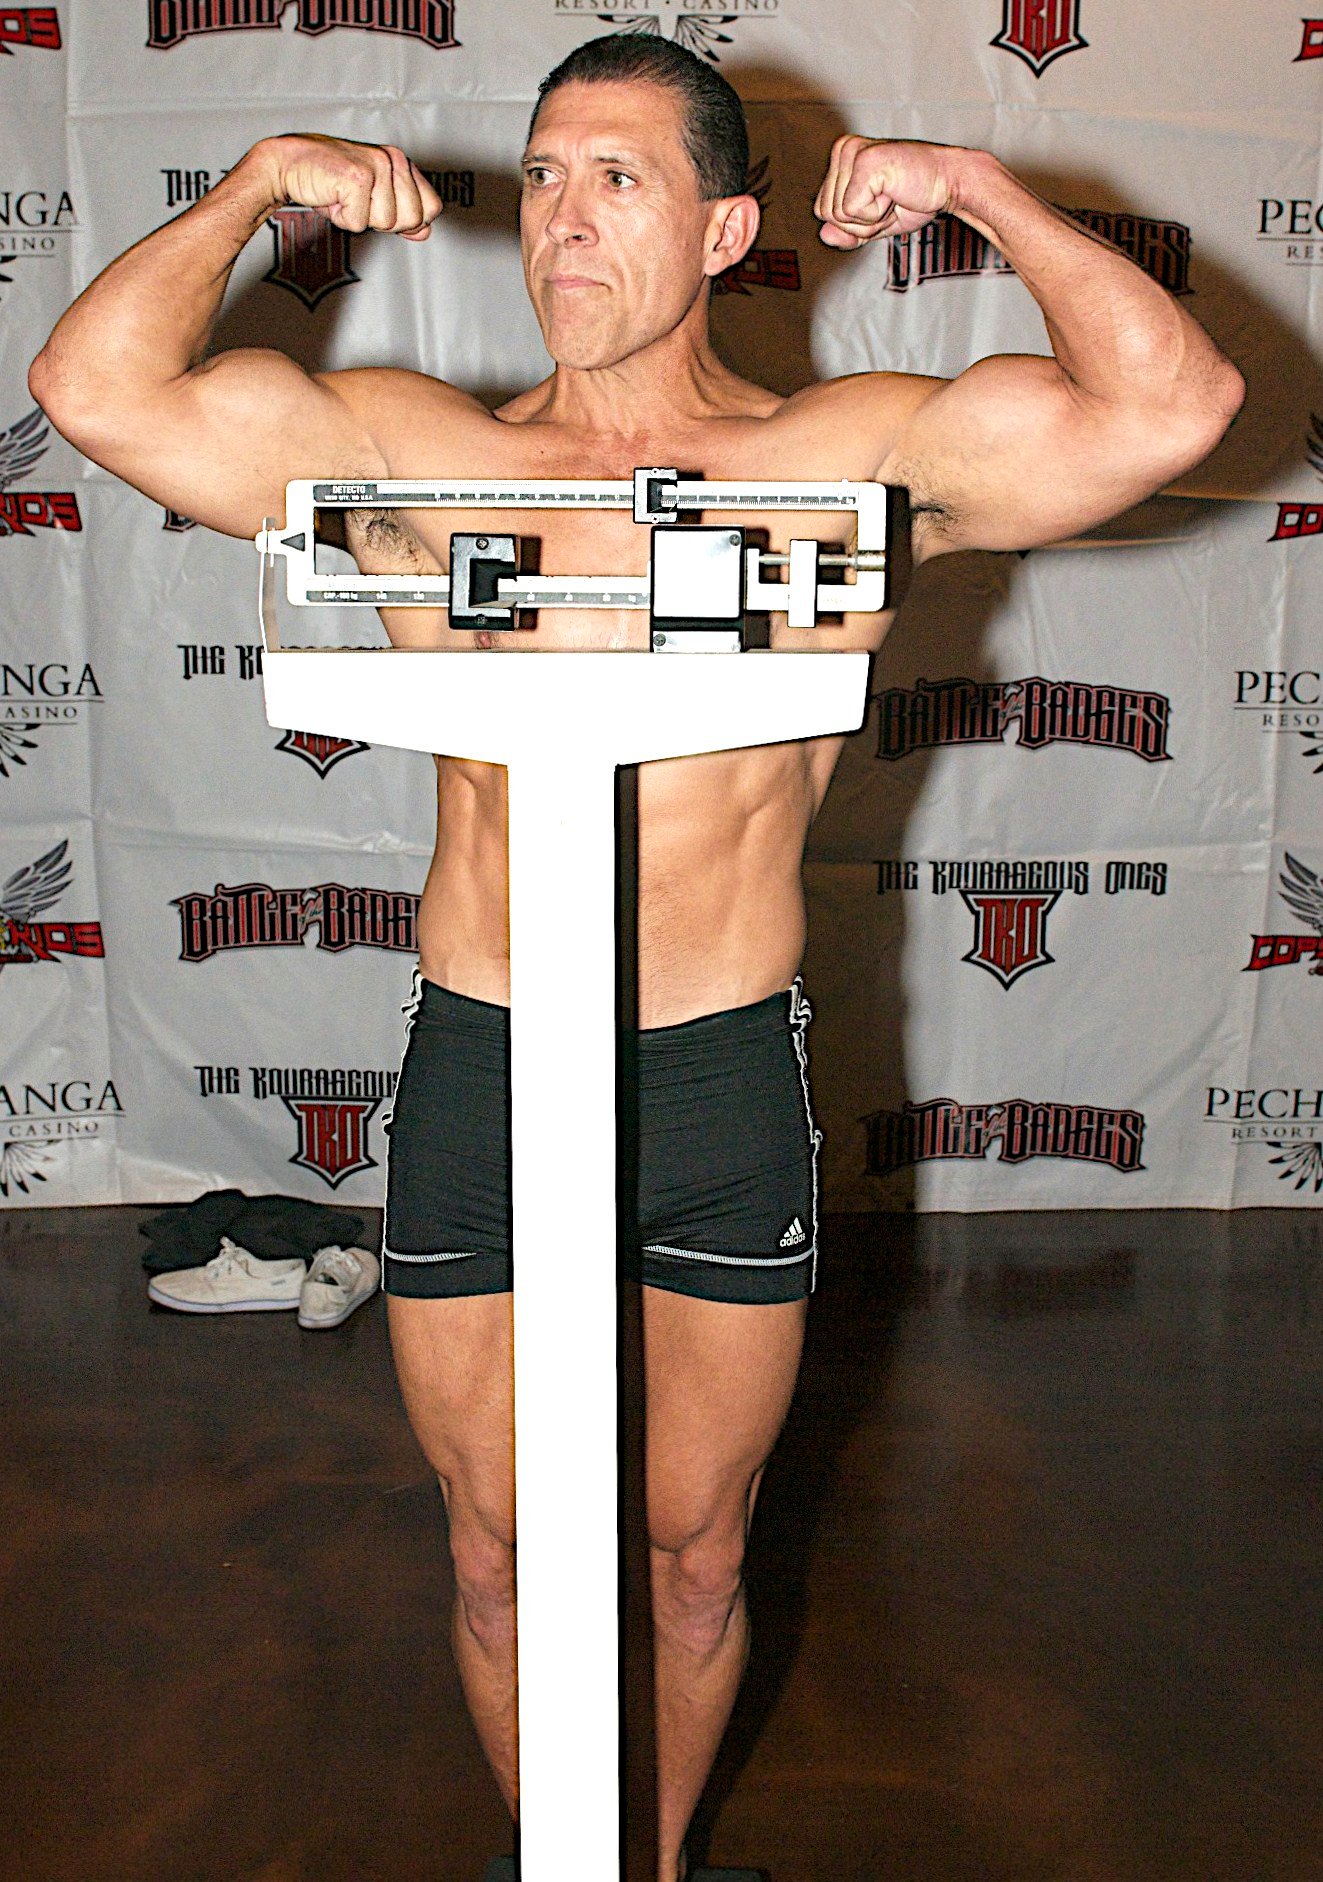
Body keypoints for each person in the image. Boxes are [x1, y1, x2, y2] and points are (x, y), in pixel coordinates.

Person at [29, 35, 1242, 1881]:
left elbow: (1170, 404)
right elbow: (92, 386)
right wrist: (260, 182)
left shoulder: (839, 462)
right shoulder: (420, 455)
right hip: (489, 1060)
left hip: (713, 1069)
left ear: (729, 231)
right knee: (496, 1552)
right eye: (544, 175)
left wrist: (982, 192)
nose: (564, 219)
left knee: (691, 1557)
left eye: (619, 178)